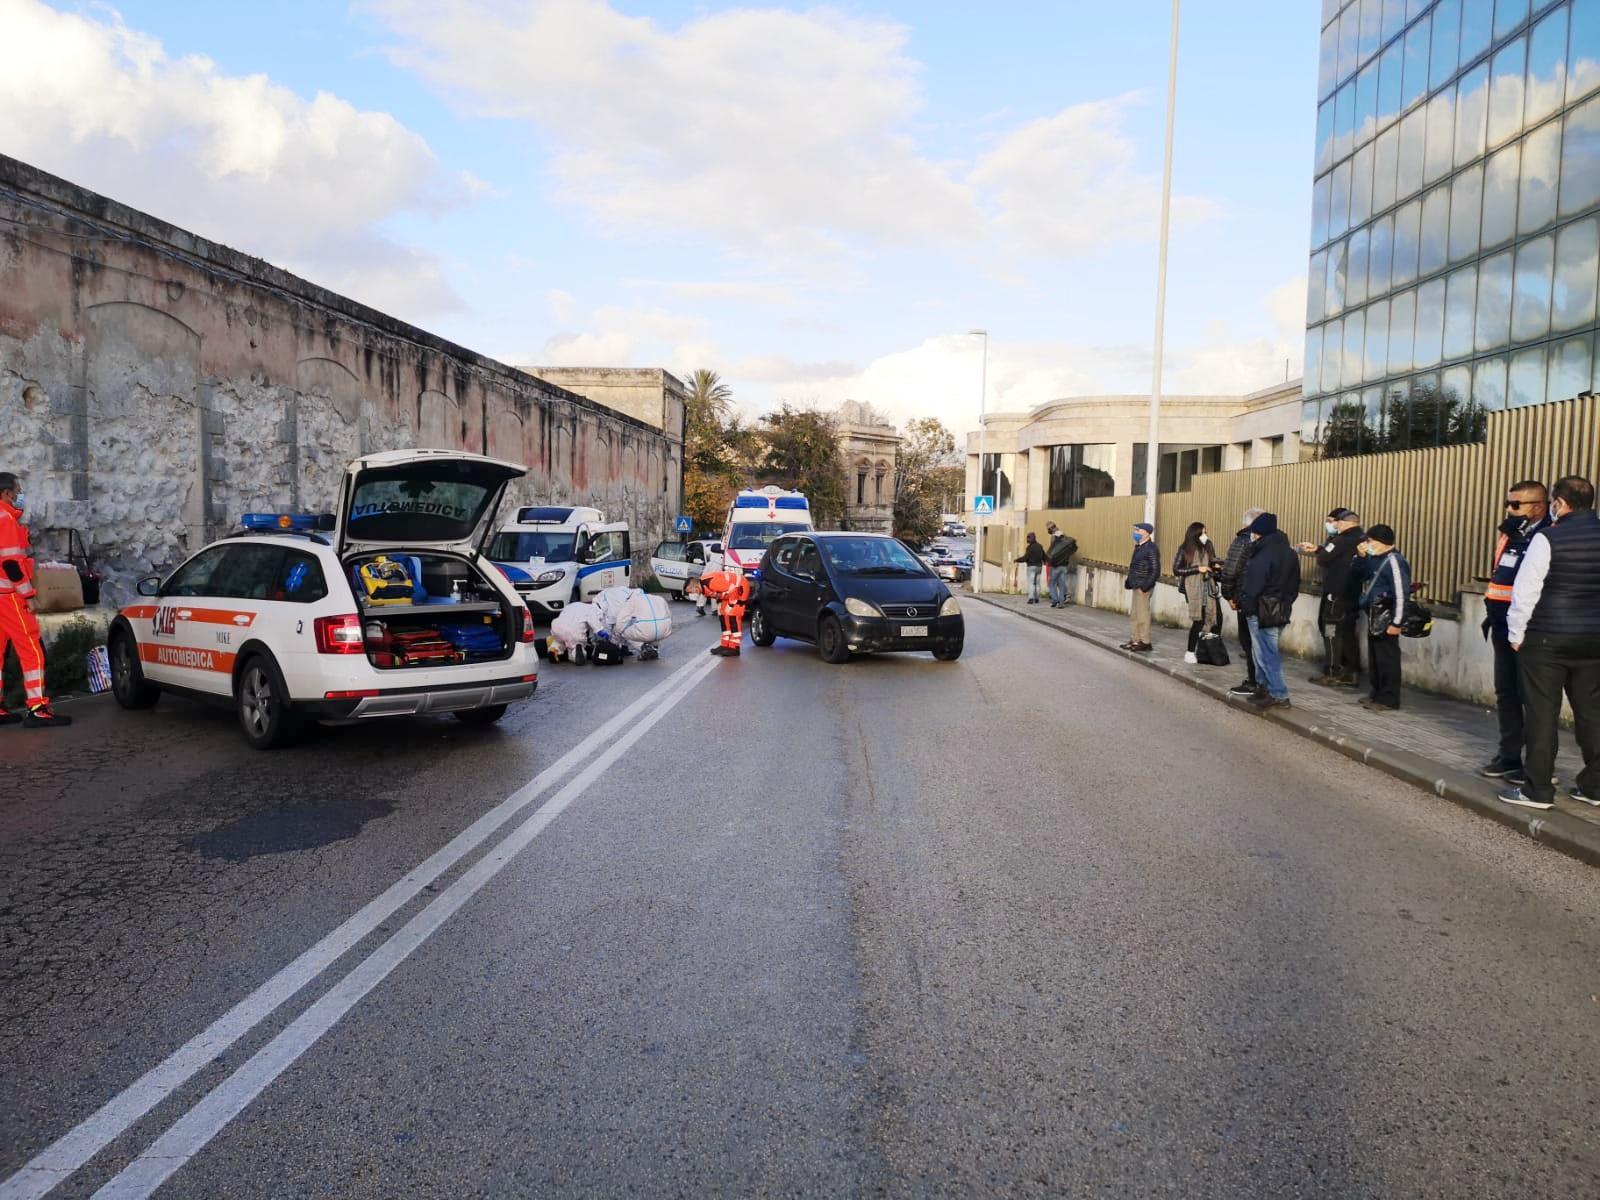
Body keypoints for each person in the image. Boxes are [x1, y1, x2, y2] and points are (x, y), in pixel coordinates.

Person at [1499, 475, 1600, 812]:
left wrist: (1516, 634)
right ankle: (1595, 786)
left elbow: (1526, 592)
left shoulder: (1547, 538)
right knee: (1591, 712)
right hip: (1593, 640)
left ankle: (1538, 790)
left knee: (1542, 713)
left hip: (1546, 639)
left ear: (1559, 503)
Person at [1477, 480, 1551, 783]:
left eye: (1516, 505)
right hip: (1501, 624)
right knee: (1506, 692)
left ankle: (1536, 764)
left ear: (1538, 507)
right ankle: (1509, 755)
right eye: (1508, 504)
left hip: (1530, 631)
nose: (1509, 510)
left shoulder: (1548, 537)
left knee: (1531, 698)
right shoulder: (1510, 533)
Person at [0, 472, 70, 728]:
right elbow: (10, 563)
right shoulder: (5, 518)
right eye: (17, 490)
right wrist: (27, 595)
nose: (19, 494)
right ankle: (38, 707)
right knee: (32, 650)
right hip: (9, 596)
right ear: (6, 492)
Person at [1296, 507, 1365, 687]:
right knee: (1349, 632)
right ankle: (1352, 671)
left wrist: (1321, 550)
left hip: (1336, 594)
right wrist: (1320, 548)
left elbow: (1323, 559)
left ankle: (1334, 670)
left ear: (1345, 523)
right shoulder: (1361, 539)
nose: (1334, 525)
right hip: (1352, 593)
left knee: (1331, 630)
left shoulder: (1341, 539)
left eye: (1336, 522)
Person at [1238, 511, 1299, 710]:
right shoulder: (1288, 552)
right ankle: (1264, 688)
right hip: (1280, 608)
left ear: (1259, 533)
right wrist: (1287, 602)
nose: (1252, 536)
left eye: (1253, 532)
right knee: (1262, 652)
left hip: (1261, 609)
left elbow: (1254, 584)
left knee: (1266, 653)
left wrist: (1247, 606)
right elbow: (1294, 584)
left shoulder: (1263, 553)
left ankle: (1279, 693)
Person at [1353, 524, 1411, 712]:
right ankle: (1376, 693)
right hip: (1374, 614)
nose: (1367, 544)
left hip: (1387, 616)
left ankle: (1389, 698)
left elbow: (1401, 593)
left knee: (1388, 658)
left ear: (1381, 542)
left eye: (1370, 541)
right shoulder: (1374, 559)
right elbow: (1357, 574)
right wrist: (1361, 558)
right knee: (1375, 657)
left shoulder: (1394, 561)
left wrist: (1397, 622)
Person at [1218, 507, 1265, 697]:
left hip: (1245, 597)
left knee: (1249, 642)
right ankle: (1263, 683)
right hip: (1270, 601)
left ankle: (1255, 681)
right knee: (1264, 644)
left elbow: (1231, 569)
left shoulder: (1244, 539)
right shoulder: (1278, 540)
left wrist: (1228, 595)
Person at [1172, 521, 1220, 665]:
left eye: (1206, 532)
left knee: (1212, 619)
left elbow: (1212, 561)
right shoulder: (1185, 549)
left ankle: (1205, 651)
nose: (1205, 535)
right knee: (1198, 621)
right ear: (1195, 534)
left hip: (1208, 588)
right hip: (1193, 589)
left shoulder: (1208, 546)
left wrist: (1215, 566)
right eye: (1202, 533)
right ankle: (1190, 651)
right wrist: (1197, 569)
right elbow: (1177, 569)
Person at [1122, 522, 1158, 653]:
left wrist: (1146, 586)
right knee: (1135, 614)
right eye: (1135, 530)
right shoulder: (1139, 547)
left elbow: (1155, 570)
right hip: (1136, 584)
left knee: (1143, 615)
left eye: (1138, 530)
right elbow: (1134, 566)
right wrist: (1129, 580)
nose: (1135, 532)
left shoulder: (1151, 548)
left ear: (1146, 533)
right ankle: (1135, 639)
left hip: (1143, 585)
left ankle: (1145, 641)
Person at [700, 567, 750, 657]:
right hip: (732, 592)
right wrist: (720, 603)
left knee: (733, 617)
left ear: (695, 586)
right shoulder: (705, 584)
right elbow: (721, 593)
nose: (694, 593)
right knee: (723, 617)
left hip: (740, 590)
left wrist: (731, 605)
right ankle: (725, 645)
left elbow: (733, 590)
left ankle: (734, 647)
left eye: (691, 591)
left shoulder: (711, 583)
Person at [1045, 522, 1077, 608]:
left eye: (1048, 528)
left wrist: (1046, 557)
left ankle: (1055, 600)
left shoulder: (1053, 537)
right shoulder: (1065, 536)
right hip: (1064, 564)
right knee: (1061, 583)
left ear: (1050, 529)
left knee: (1052, 583)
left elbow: (1051, 551)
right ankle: (1061, 603)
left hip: (1056, 564)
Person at [1015, 532, 1045, 604]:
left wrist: (1017, 560)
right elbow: (1044, 556)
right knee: (1037, 583)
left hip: (1031, 567)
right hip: (1039, 567)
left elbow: (1025, 558)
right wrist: (1048, 561)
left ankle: (1031, 598)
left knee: (1031, 583)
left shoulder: (1030, 547)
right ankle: (1037, 598)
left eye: (1028, 537)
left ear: (1031, 538)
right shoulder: (1040, 546)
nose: (1027, 539)